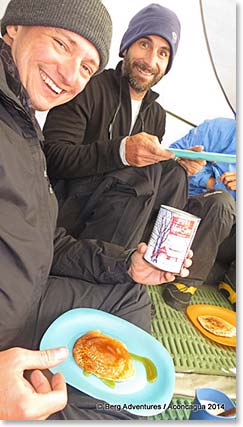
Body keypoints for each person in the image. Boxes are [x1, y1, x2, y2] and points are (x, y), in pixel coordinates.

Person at [0, 0, 193, 420]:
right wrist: (123, 152)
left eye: (86, 64)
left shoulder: (23, 121)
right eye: (61, 43)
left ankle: (156, 258)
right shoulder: (91, 92)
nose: (70, 75)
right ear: (14, 27)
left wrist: (130, 264)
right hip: (72, 217)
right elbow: (62, 158)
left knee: (135, 284)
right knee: (139, 181)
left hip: (32, 277)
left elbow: (43, 234)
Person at [43, 4, 204, 249]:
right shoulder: (89, 85)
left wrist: (176, 163)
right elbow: (52, 157)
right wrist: (121, 152)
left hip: (123, 217)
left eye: (162, 53)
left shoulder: (156, 115)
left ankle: (152, 257)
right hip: (71, 210)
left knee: (174, 175)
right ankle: (106, 262)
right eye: (145, 44)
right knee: (143, 173)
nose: (150, 61)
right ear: (127, 46)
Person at [162, 118, 236, 311]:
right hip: (192, 213)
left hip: (224, 238)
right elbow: (171, 157)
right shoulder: (221, 129)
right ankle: (185, 281)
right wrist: (212, 182)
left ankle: (233, 282)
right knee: (222, 202)